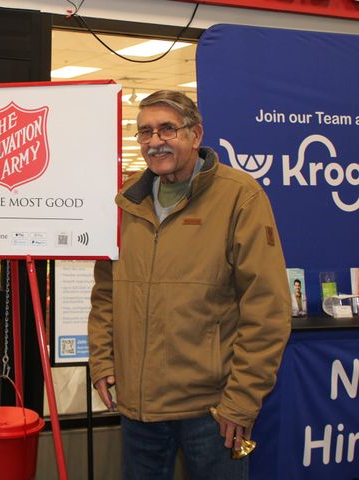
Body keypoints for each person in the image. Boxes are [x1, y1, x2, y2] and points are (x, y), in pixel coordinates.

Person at [88, 90, 291, 479]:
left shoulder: (239, 198)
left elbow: (267, 310)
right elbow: (105, 296)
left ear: (195, 135)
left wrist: (242, 401)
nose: (154, 141)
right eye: (144, 131)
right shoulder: (126, 202)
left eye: (168, 129)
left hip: (212, 412)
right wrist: (102, 362)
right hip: (136, 409)